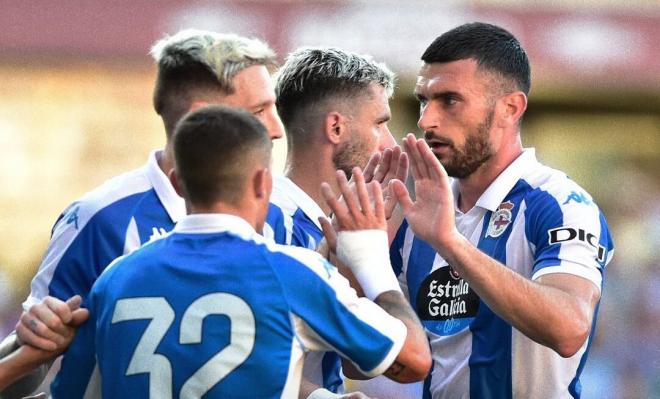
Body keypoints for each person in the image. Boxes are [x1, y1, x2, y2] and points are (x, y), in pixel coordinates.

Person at [49, 105, 431, 398]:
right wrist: (370, 258)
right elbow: (413, 360)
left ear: (178, 183)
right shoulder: (293, 274)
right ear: (264, 182)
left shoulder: (116, 277)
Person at [1, 29, 284, 396]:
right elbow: (27, 369)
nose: (277, 129)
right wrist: (33, 341)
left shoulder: (278, 216)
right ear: (203, 116)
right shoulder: (99, 219)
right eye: (259, 111)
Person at [387, 22, 614, 398]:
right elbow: (375, 360)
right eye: (424, 100)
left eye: (450, 100)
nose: (426, 119)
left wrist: (452, 245)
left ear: (510, 108)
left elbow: (570, 328)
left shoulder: (559, 203)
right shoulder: (418, 222)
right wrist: (357, 248)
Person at [263, 47, 411, 397]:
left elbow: (354, 359)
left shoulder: (338, 223)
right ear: (336, 127)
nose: (390, 143)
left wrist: (370, 248)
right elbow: (240, 352)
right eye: (380, 123)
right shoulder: (270, 222)